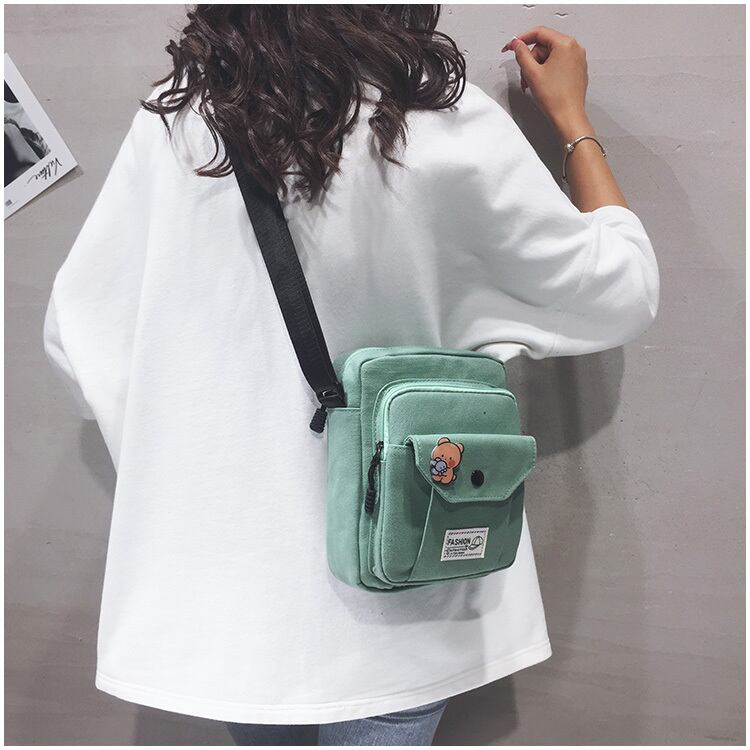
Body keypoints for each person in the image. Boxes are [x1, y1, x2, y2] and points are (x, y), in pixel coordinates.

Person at [42, 6, 659, 747]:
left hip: (241, 614)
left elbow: (77, 340)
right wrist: (573, 122)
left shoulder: (178, 122)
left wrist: (195, 465)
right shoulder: (437, 117)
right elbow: (620, 291)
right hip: (399, 602)